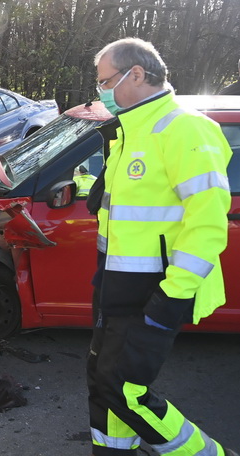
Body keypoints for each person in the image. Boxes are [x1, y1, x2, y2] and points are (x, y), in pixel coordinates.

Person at [87, 38, 237, 456]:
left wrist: (173, 295)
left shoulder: (183, 128)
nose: (99, 91)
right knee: (102, 381)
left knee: (125, 391)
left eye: (104, 81)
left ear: (136, 74)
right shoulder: (129, 134)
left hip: (153, 292)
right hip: (114, 289)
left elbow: (207, 223)